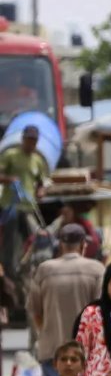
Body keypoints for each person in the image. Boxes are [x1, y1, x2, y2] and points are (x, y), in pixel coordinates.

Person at [28, 224, 104, 376]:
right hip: (84, 354)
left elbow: (34, 310)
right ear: (84, 244)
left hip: (52, 352)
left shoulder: (44, 269)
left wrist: (46, 333)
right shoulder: (97, 270)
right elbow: (101, 313)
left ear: (61, 244)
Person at [1, 125, 51, 293]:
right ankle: (10, 277)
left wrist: (41, 190)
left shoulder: (37, 160)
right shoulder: (10, 155)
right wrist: (9, 179)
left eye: (34, 140)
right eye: (29, 139)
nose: (31, 143)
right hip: (12, 207)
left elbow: (42, 181)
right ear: (23, 139)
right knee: (11, 244)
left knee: (36, 239)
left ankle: (31, 272)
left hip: (29, 208)